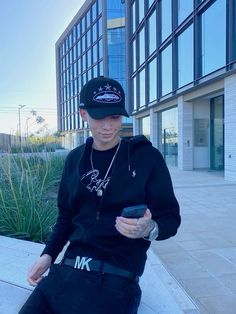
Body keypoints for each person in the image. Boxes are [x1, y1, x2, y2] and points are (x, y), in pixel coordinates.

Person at [19, 76, 181, 314]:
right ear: (84, 114)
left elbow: (171, 219)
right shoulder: (74, 160)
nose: (108, 126)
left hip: (115, 280)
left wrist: (148, 228)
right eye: (99, 117)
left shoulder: (146, 157)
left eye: (115, 117)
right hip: (65, 273)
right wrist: (48, 256)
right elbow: (66, 217)